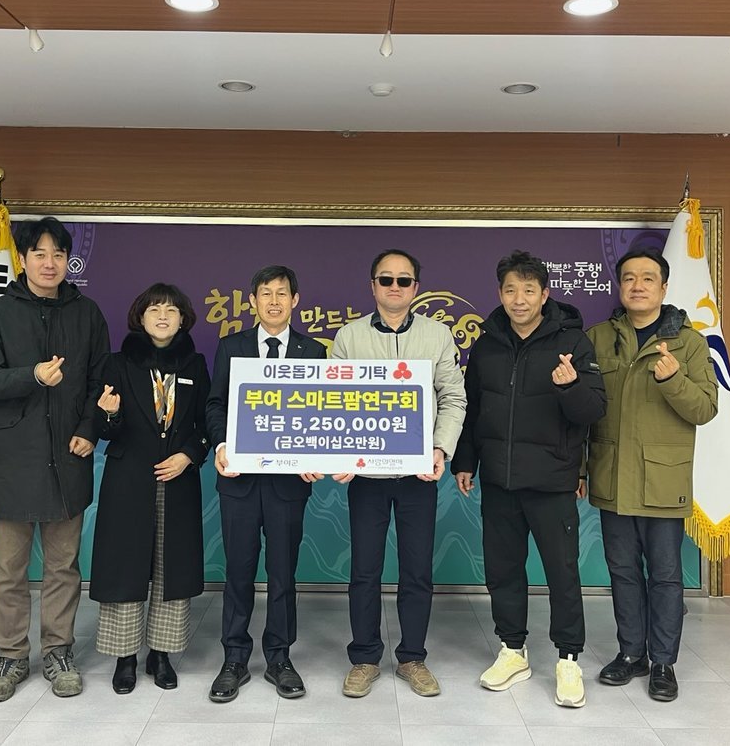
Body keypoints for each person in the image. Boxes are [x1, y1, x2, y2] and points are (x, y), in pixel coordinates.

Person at [452, 250, 606, 707]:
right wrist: (466, 461)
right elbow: (472, 408)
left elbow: (593, 411)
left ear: (544, 294)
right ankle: (512, 650)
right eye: (510, 290)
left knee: (562, 572)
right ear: (500, 293)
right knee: (502, 570)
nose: (518, 299)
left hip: (552, 479)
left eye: (528, 290)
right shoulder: (487, 344)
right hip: (499, 479)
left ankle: (568, 659)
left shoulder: (572, 342)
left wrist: (570, 385)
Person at [0, 216, 110, 702]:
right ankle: (11, 656)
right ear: (23, 259)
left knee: (63, 566)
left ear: (68, 261)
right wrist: (32, 375)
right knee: (9, 570)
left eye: (58, 255)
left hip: (68, 454)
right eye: (40, 254)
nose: (49, 263)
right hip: (14, 457)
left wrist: (89, 429)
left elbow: (100, 380)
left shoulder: (87, 313)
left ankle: (58, 651)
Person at [331, 249, 467, 699]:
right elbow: (334, 400)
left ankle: (412, 657)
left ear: (415, 288)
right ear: (372, 286)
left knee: (417, 570)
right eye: (385, 279)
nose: (394, 287)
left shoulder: (437, 334)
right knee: (364, 570)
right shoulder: (349, 336)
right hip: (366, 478)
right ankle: (365, 658)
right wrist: (341, 453)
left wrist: (440, 447)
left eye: (403, 280)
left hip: (417, 476)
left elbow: (453, 397)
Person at [586, 248, 717, 702]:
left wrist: (673, 379)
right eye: (628, 278)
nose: (637, 285)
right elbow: (584, 412)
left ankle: (663, 662)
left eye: (647, 278)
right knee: (622, 572)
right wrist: (581, 469)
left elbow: (705, 409)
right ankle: (631, 654)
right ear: (619, 287)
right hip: (612, 476)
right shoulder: (598, 338)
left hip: (663, 481)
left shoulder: (689, 343)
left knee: (664, 575)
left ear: (663, 287)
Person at [205, 265, 327, 703]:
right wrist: (221, 444)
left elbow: (321, 412)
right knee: (238, 572)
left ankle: (279, 658)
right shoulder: (231, 347)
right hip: (239, 482)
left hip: (288, 485)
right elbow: (215, 404)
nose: (274, 301)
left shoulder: (314, 352)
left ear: (295, 300)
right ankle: (234, 659)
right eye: (265, 294)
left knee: (282, 574)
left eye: (281, 293)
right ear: (253, 301)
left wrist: (316, 455)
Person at [89, 283, 211, 694]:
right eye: (154, 309)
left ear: (183, 319)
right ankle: (124, 657)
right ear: (140, 317)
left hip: (178, 480)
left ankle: (161, 654)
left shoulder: (194, 365)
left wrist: (189, 455)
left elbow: (206, 422)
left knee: (169, 569)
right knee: (126, 566)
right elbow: (107, 431)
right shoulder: (118, 364)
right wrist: (108, 414)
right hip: (129, 480)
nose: (163, 316)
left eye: (171, 310)